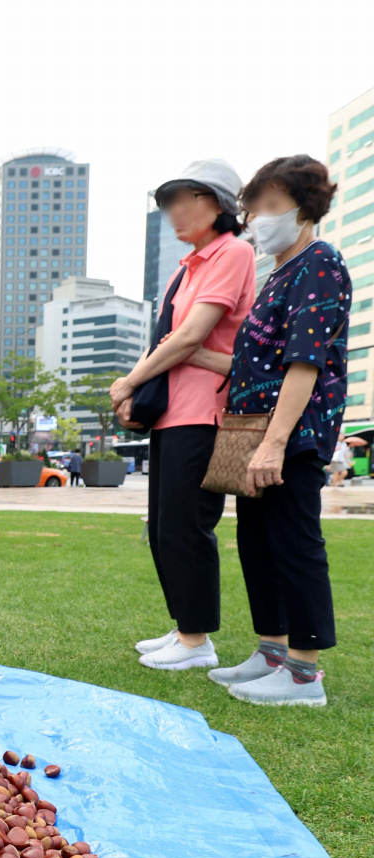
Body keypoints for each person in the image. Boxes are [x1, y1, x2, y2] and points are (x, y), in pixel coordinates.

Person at [190, 156, 350, 707]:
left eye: (270, 207)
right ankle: (272, 651)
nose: (259, 219)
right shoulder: (277, 273)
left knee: (294, 544)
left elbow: (303, 363)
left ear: (304, 209)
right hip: (251, 432)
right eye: (253, 208)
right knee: (259, 545)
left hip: (293, 434)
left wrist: (276, 443)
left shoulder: (320, 264)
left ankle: (304, 674)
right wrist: (176, 355)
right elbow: (247, 363)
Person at [110, 159, 256, 671]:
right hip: (174, 411)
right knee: (163, 527)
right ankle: (183, 627)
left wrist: (131, 381)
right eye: (167, 200)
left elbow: (191, 336)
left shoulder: (233, 253)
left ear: (215, 203)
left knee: (188, 526)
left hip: (205, 412)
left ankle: (197, 641)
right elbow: (167, 340)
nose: (173, 210)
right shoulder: (187, 266)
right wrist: (134, 390)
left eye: (182, 198)